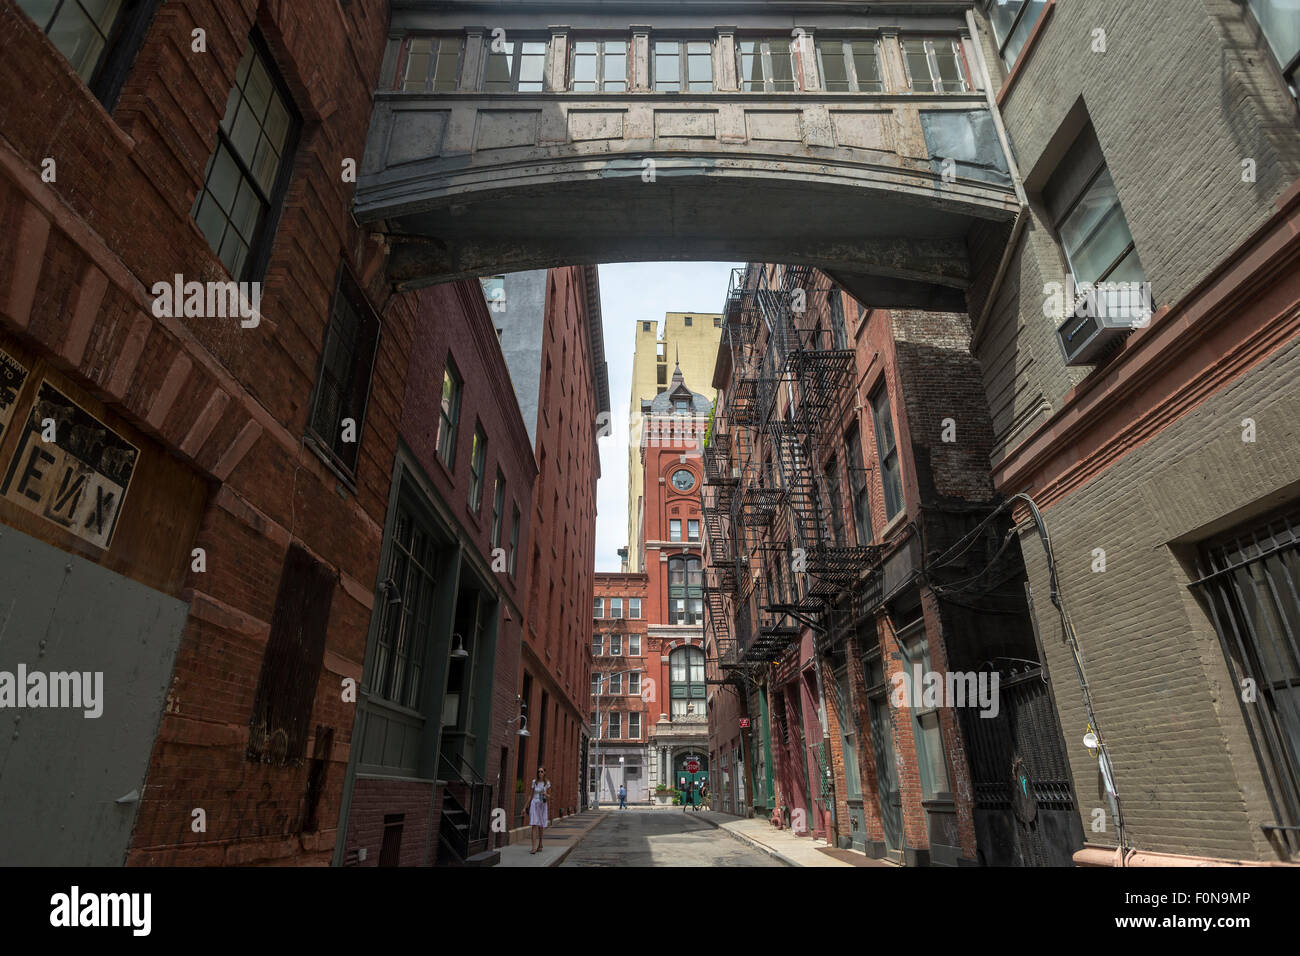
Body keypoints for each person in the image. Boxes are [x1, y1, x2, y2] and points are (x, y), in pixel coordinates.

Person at [528, 767, 551, 854]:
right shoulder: (534, 782)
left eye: (541, 771)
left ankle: (540, 843)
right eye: (538, 771)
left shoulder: (547, 783)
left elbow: (550, 796)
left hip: (542, 805)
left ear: (544, 773)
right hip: (534, 804)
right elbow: (530, 795)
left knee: (541, 826)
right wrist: (525, 806)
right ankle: (533, 847)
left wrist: (546, 794)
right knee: (534, 825)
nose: (540, 773)